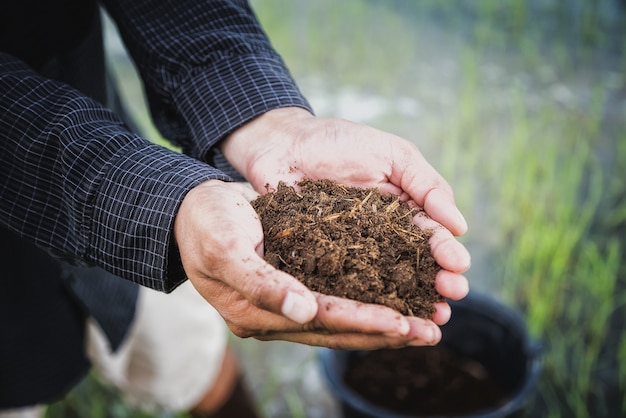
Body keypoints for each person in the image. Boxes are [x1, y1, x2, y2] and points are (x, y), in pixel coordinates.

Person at [0, 0, 471, 417]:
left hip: (107, 147)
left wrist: (265, 120)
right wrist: (171, 206)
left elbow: (179, 14)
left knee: (192, 352)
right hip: (16, 284)